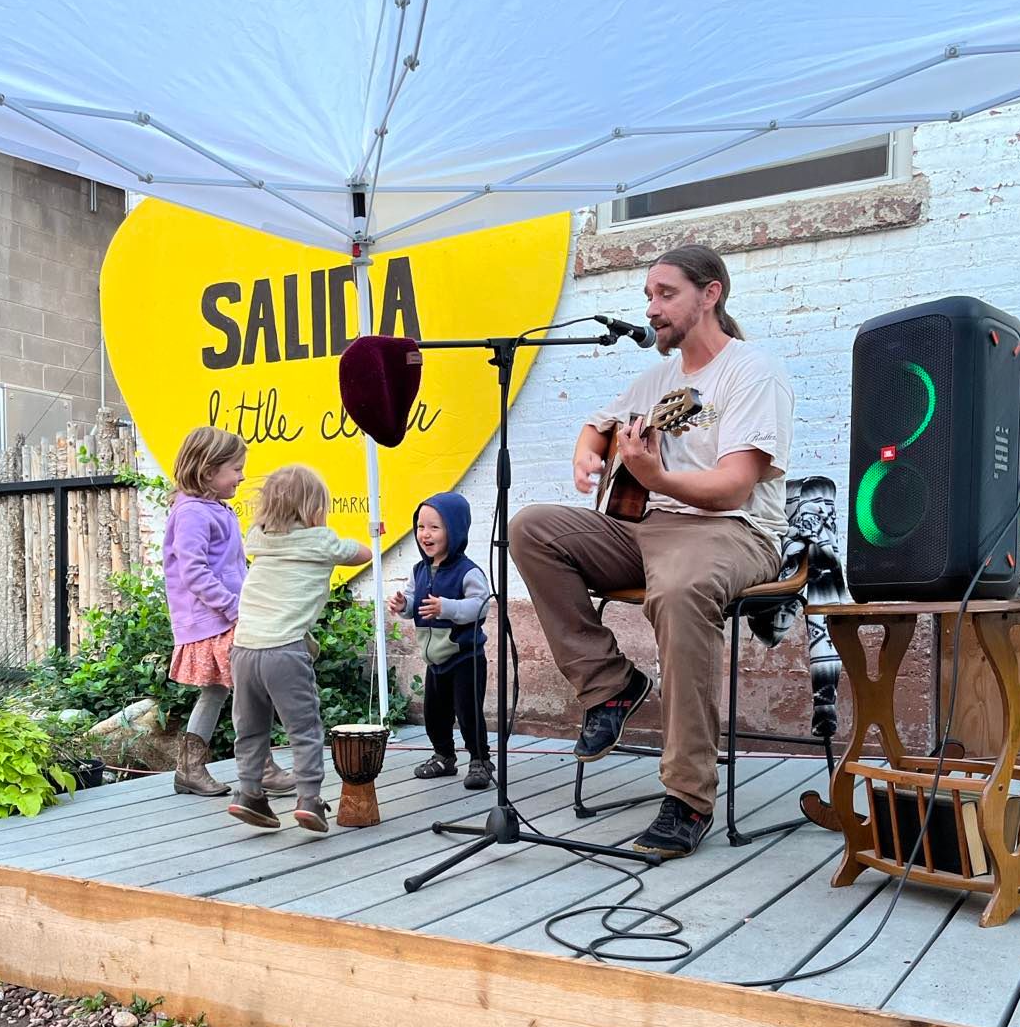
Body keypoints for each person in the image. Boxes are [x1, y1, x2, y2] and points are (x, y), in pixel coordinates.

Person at [509, 244, 794, 858]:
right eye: (648, 296)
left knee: (682, 589)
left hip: (731, 530)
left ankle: (688, 796)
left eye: (666, 294)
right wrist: (588, 452)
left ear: (710, 294)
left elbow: (733, 486)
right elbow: (600, 424)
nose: (652, 307)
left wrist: (658, 478)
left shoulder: (751, 373)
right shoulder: (657, 377)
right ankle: (610, 683)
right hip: (645, 528)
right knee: (532, 526)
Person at [228, 464, 371, 834]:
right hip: (284, 651)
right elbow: (362, 553)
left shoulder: (257, 538)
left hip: (243, 650)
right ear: (312, 510)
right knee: (304, 729)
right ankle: (309, 801)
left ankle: (249, 793)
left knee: (250, 729)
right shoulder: (321, 540)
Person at [164, 425, 294, 799]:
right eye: (235, 469)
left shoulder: (215, 509)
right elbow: (194, 572)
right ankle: (257, 766)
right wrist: (235, 608)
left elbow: (233, 566)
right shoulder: (191, 514)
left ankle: (193, 768)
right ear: (207, 471)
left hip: (230, 616)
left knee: (221, 692)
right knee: (250, 687)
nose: (242, 476)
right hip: (215, 621)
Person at [388, 492, 495, 791]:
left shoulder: (467, 571)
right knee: (435, 712)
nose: (425, 534)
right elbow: (413, 602)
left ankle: (480, 759)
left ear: (455, 529)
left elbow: (481, 605)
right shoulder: (419, 570)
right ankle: (444, 756)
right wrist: (403, 605)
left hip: (464, 656)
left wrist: (447, 607)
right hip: (435, 659)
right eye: (421, 527)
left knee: (468, 710)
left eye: (435, 527)